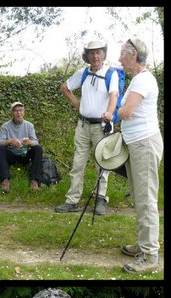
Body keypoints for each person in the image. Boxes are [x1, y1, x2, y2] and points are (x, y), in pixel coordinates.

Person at [55, 40, 119, 215]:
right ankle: (72, 200)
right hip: (83, 125)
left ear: (103, 54)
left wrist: (109, 114)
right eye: (92, 53)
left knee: (102, 164)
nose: (95, 56)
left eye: (98, 52)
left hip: (102, 126)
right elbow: (65, 87)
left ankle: (100, 199)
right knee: (77, 163)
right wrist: (76, 103)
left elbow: (113, 95)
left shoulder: (110, 74)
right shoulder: (82, 73)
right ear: (87, 56)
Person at [118, 38, 164, 274]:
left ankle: (149, 255)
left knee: (146, 199)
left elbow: (126, 112)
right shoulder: (137, 80)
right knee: (139, 196)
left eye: (122, 55)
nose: (119, 59)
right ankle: (143, 245)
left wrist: (115, 112)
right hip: (137, 145)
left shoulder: (144, 80)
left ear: (133, 54)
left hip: (144, 145)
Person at [0, 101, 43, 192]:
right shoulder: (5, 126)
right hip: (11, 156)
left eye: (20, 110)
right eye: (16, 111)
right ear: (12, 113)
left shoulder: (29, 125)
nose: (18, 113)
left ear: (24, 112)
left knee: (38, 148)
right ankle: (5, 180)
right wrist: (10, 141)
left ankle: (34, 180)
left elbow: (36, 143)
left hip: (24, 155)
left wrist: (29, 142)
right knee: (0, 149)